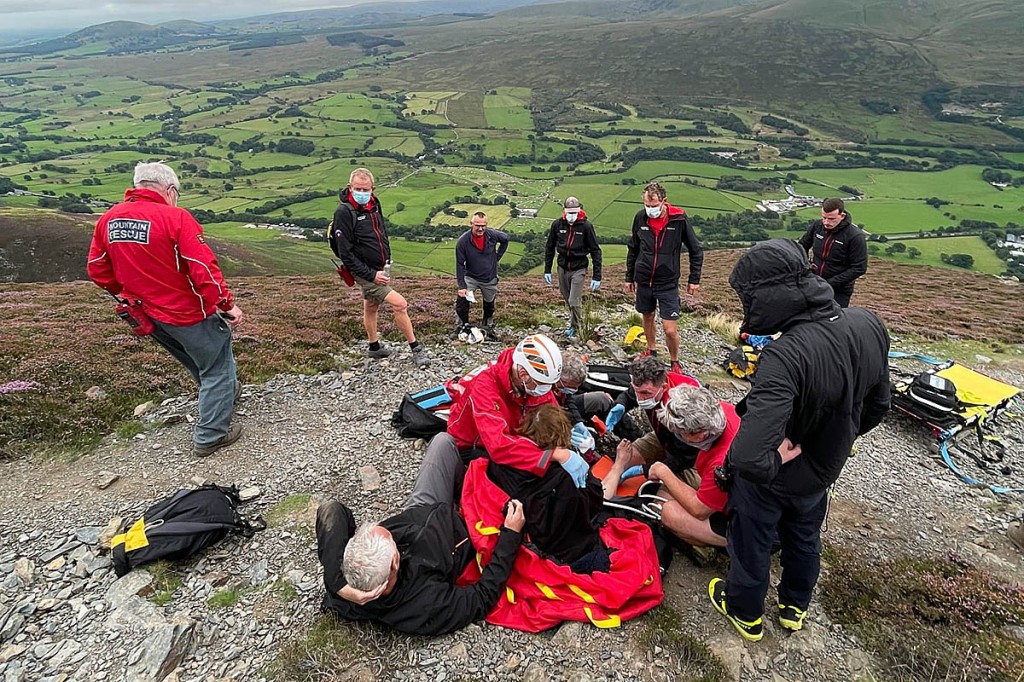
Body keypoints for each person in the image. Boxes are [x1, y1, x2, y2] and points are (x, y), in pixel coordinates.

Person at [708, 239, 890, 642]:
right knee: (805, 536)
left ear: (770, 295)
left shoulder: (785, 357)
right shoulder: (867, 324)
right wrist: (838, 441)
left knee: (752, 539)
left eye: (748, 296)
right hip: (824, 469)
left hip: (777, 475)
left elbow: (750, 457)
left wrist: (778, 460)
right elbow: (879, 406)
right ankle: (794, 607)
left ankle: (746, 613)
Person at [87, 162, 243, 458]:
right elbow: (203, 270)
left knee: (196, 361)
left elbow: (97, 268)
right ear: (170, 190)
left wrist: (125, 292)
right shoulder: (176, 218)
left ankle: (224, 398)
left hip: (146, 314)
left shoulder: (108, 219)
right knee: (216, 367)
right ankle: (211, 435)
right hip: (187, 313)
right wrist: (227, 304)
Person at [316, 433, 525, 635]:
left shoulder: (345, 576)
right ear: (394, 562)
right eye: (391, 539)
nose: (392, 532)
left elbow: (332, 510)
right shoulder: (425, 605)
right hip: (465, 531)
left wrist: (339, 586)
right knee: (518, 489)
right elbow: (482, 598)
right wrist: (510, 536)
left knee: (442, 442)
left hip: (424, 509)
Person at [604, 384, 737, 552]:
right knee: (663, 497)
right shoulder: (724, 410)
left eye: (681, 435)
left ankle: (719, 548)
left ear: (699, 435)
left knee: (665, 512)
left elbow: (699, 510)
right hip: (736, 494)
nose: (678, 438)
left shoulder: (721, 463)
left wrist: (663, 472)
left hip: (747, 524)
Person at [446, 334, 590, 485]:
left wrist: (568, 431)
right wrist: (554, 455)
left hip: (513, 433)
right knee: (525, 480)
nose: (547, 390)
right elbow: (498, 445)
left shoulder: (534, 381)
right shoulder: (485, 387)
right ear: (523, 374)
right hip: (473, 445)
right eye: (543, 385)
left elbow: (551, 411)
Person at [330, 167, 430, 368]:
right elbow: (345, 253)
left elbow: (381, 231)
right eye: (357, 188)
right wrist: (371, 275)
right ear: (350, 187)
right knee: (400, 304)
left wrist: (386, 260)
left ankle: (374, 347)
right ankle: (416, 349)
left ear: (372, 188)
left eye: (365, 189)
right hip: (363, 271)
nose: (361, 193)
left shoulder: (374, 204)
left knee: (371, 306)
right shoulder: (344, 212)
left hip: (379, 267)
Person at [625, 182, 703, 373]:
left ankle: (674, 361)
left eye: (654, 206)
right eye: (647, 205)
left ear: (664, 202)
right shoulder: (640, 218)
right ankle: (651, 351)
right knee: (647, 315)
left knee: (669, 328)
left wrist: (694, 279)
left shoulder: (679, 220)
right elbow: (633, 247)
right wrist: (629, 276)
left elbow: (696, 249)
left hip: (667, 282)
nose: (650, 210)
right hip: (644, 279)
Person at [601, 355, 700, 474]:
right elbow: (629, 395)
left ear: (663, 387)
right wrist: (621, 404)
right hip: (663, 436)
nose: (640, 399)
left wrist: (646, 470)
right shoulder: (649, 383)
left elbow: (685, 457)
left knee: (663, 490)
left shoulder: (684, 409)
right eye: (637, 391)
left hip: (693, 455)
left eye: (645, 394)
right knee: (623, 462)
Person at [544, 196, 602, 339]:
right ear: (564, 211)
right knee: (567, 298)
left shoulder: (586, 226)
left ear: (579, 210)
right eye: (569, 212)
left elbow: (595, 250)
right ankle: (574, 323)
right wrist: (547, 269)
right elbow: (550, 247)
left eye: (574, 212)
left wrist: (597, 276)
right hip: (562, 266)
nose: (572, 216)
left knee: (573, 300)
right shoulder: (557, 225)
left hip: (579, 267)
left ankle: (578, 327)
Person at [798, 198, 867, 308]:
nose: (826, 222)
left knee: (832, 322)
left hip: (839, 291)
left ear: (842, 216)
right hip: (814, 282)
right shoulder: (817, 226)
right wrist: (806, 264)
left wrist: (830, 282)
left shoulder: (855, 237)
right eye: (824, 217)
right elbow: (802, 246)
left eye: (831, 219)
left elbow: (859, 268)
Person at [454, 211, 509, 340]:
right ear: (471, 224)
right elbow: (460, 265)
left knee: (489, 304)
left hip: (489, 278)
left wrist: (496, 257)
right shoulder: (463, 242)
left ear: (487, 225)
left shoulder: (492, 235)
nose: (480, 229)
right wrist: (462, 286)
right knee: (462, 300)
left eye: (483, 225)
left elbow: (505, 239)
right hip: (471, 276)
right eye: (477, 225)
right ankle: (461, 326)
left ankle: (487, 326)